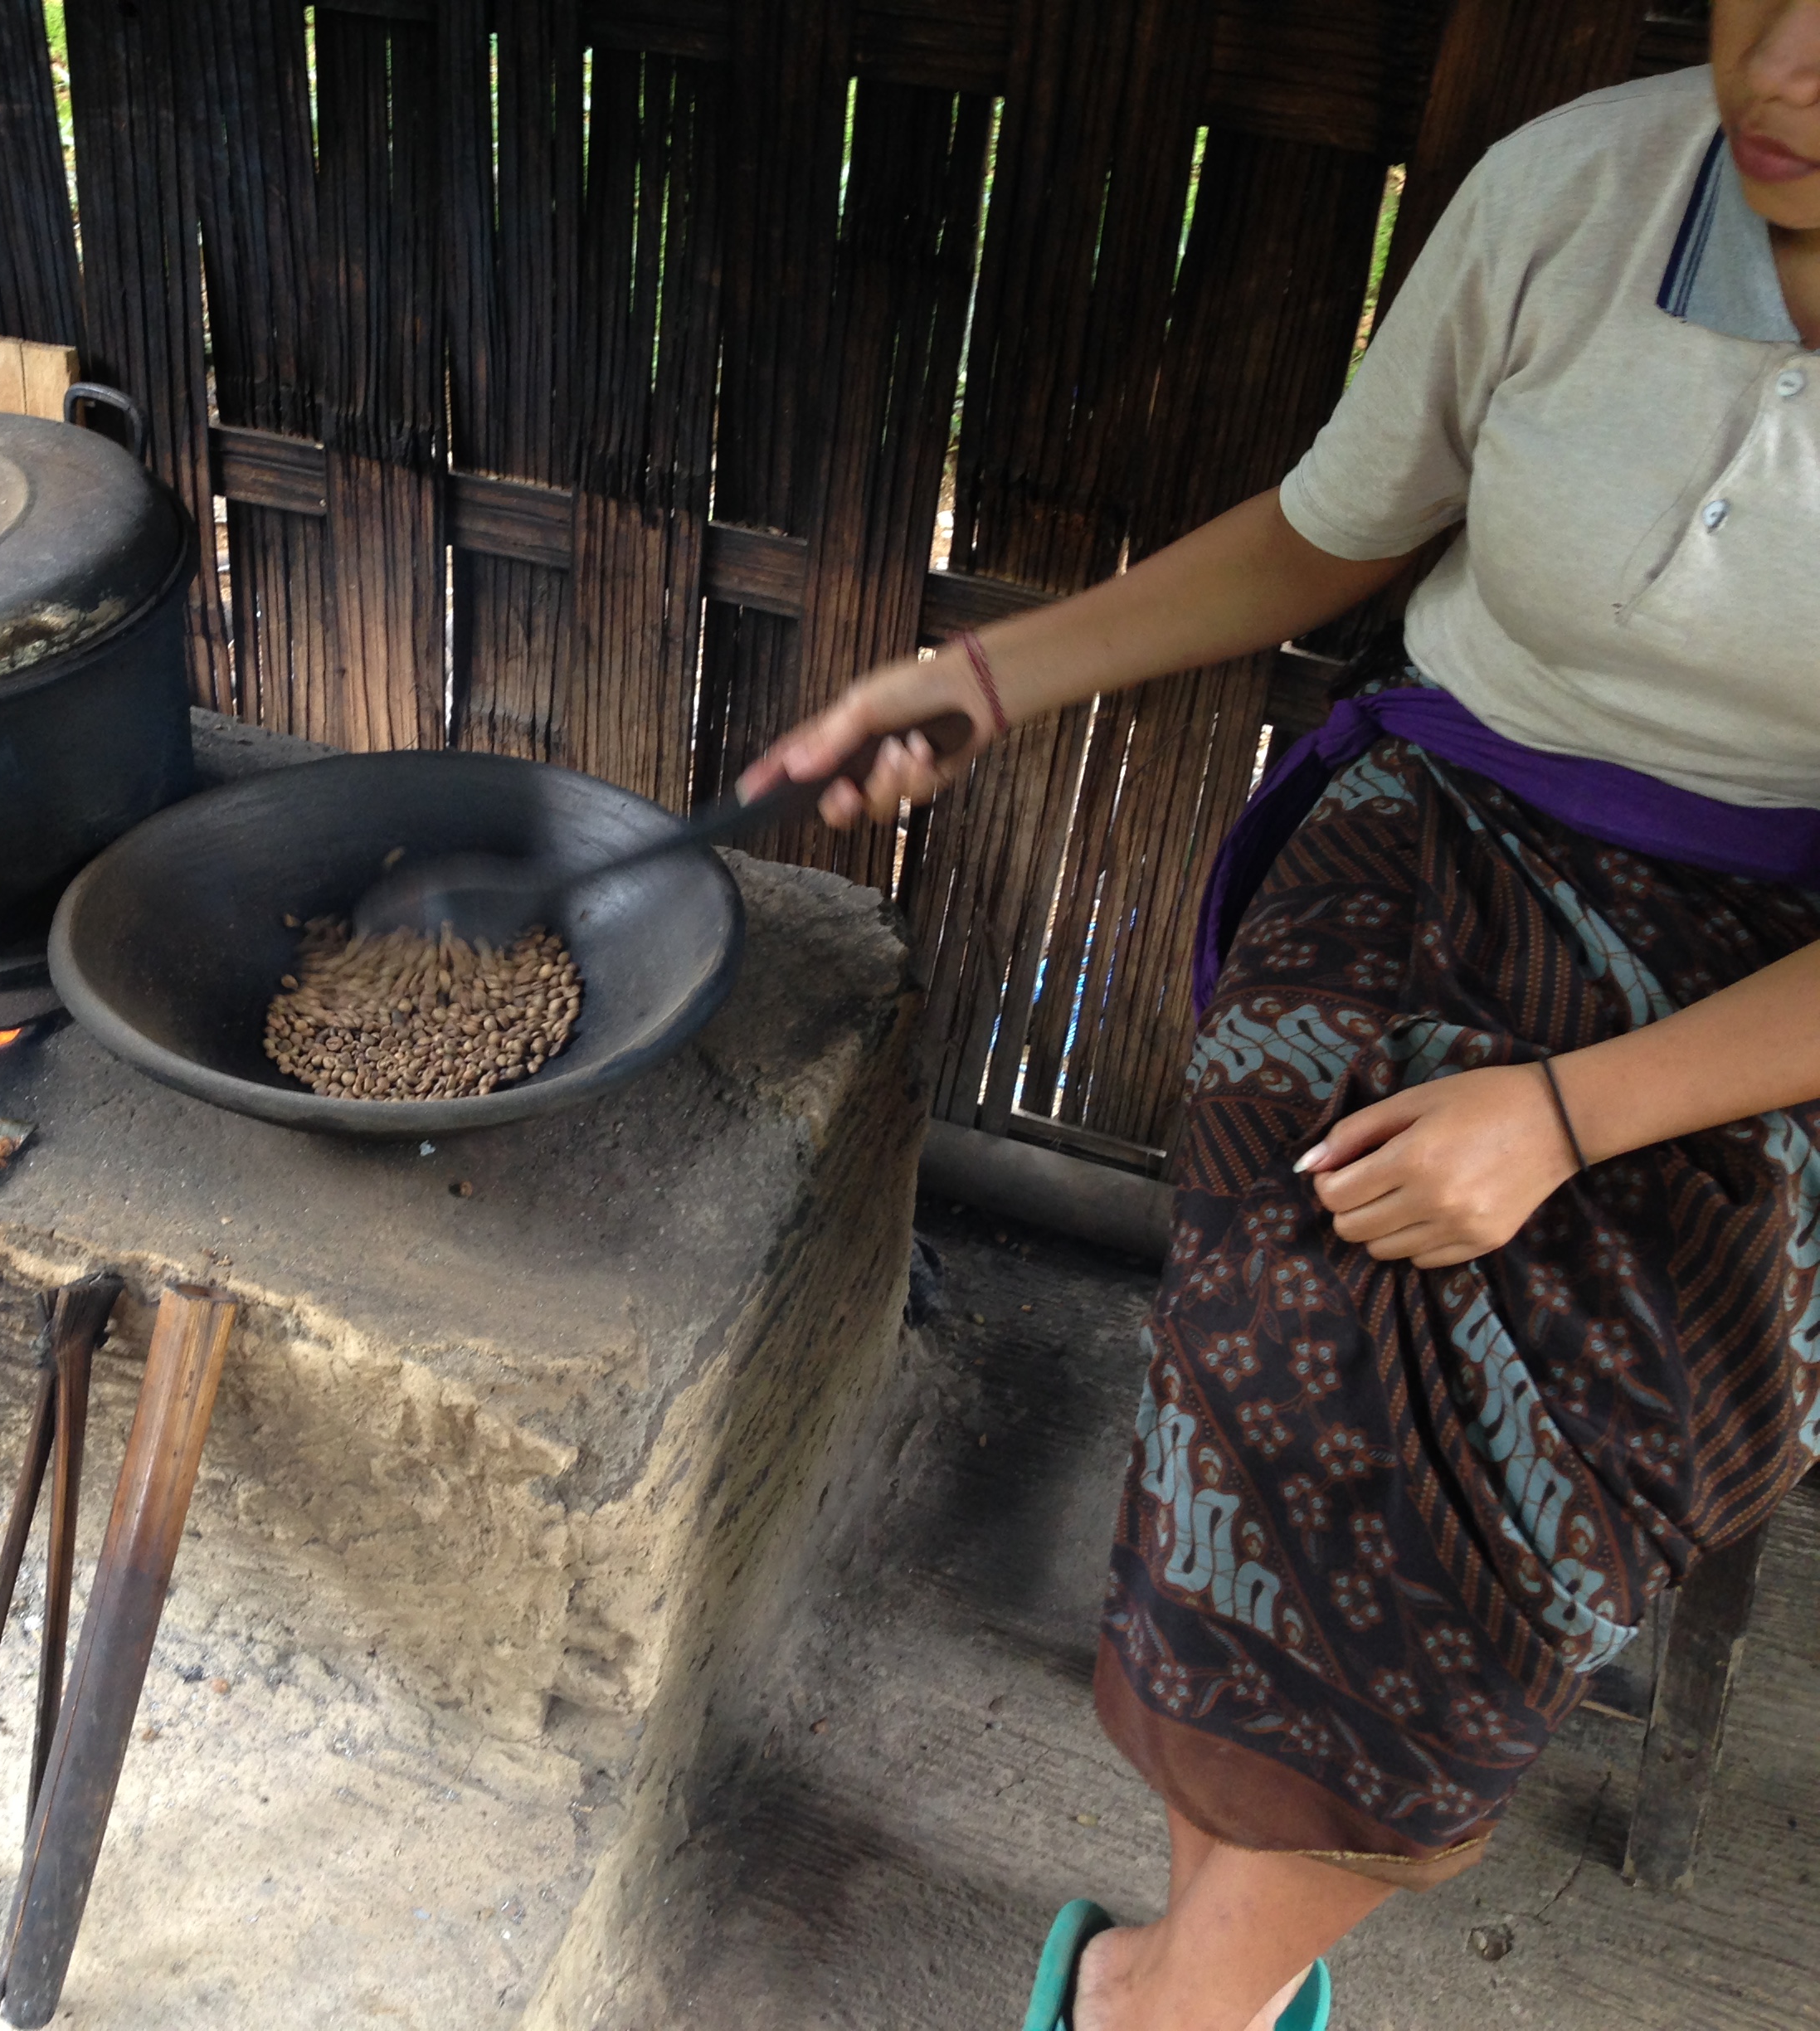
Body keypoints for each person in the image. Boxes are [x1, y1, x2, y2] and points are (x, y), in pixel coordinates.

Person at [746, 4, 1820, 2027]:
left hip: (1774, 986)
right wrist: (978, 685)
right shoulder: (1578, 187)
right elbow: (1336, 532)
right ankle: (1208, 1999)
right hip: (1443, 837)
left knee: (1570, 1415)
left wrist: (1568, 1118)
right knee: (1295, 1304)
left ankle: (1167, 1998)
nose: (1777, 76)